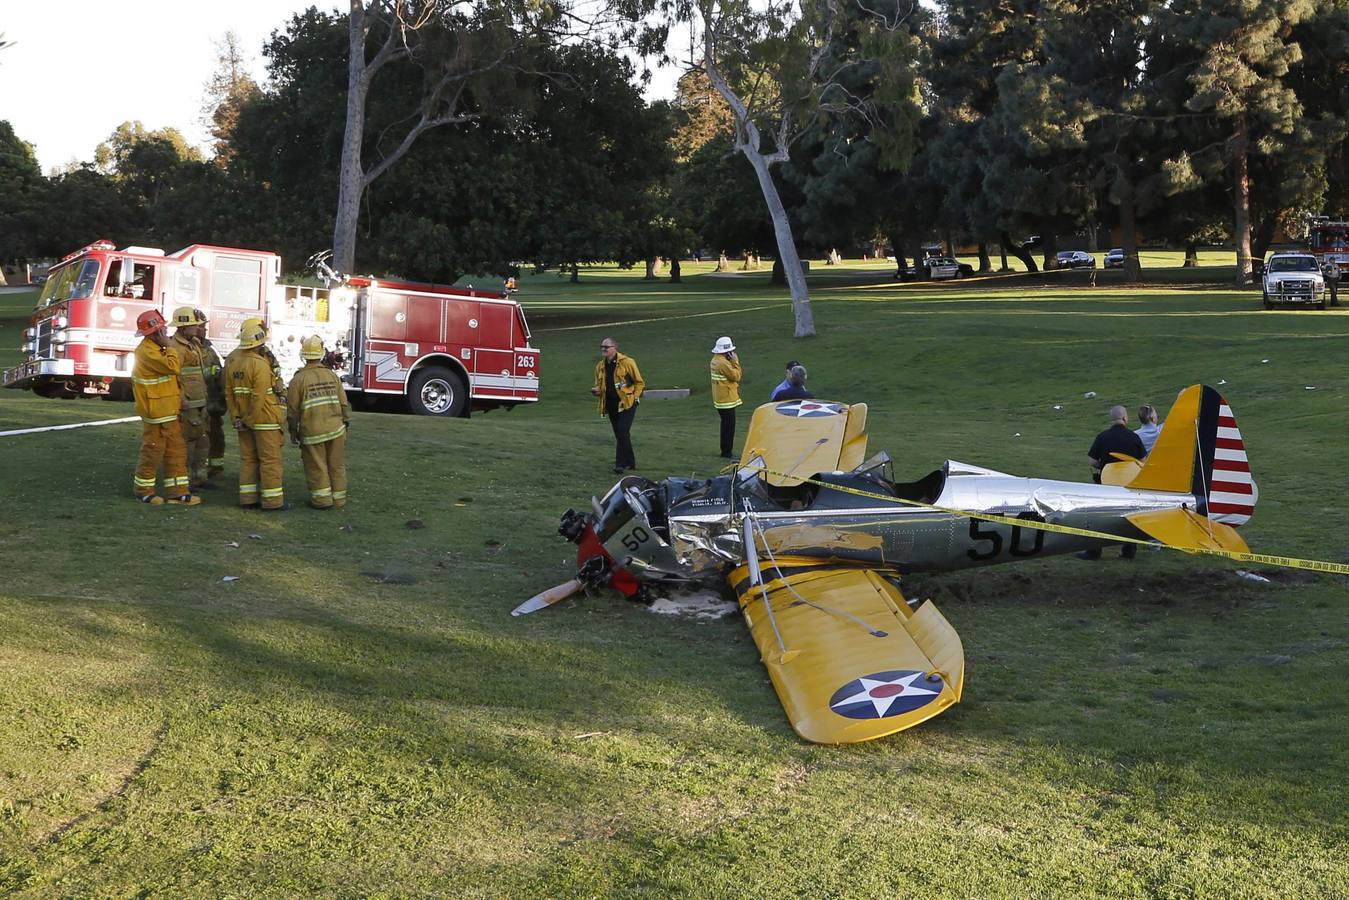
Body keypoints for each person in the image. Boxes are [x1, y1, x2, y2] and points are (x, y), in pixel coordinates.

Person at [130, 310, 200, 506]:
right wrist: (169, 347)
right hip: (156, 412)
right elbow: (173, 367)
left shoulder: (156, 348)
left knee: (176, 452)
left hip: (168, 410)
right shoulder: (147, 352)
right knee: (152, 452)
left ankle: (178, 492)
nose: (166, 332)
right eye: (162, 329)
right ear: (154, 332)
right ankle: (143, 491)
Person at [225, 318, 289, 510]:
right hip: (264, 420)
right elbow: (259, 396)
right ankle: (272, 502)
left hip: (243, 420)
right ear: (259, 343)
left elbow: (229, 393)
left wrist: (236, 418)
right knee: (270, 461)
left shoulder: (234, 363)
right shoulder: (260, 364)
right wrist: (249, 420)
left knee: (248, 460)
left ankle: (248, 499)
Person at [287, 335, 351, 509]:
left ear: (304, 355)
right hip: (336, 429)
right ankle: (339, 499)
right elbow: (343, 403)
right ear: (321, 354)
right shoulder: (332, 375)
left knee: (317, 467)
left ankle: (322, 501)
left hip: (312, 432)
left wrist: (293, 431)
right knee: (336, 465)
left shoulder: (298, 380)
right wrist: (345, 422)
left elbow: (292, 411)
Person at [1081, 405, 1146, 560]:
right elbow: (1142, 462)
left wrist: (1105, 466)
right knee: (1130, 516)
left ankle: (1094, 551)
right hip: (1129, 485)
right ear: (1125, 418)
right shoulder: (1134, 437)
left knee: (1099, 517)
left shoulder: (1102, 437)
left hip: (1106, 483)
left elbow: (1092, 461)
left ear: (1112, 419)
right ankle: (1128, 551)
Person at [168, 307, 211, 489]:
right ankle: (183, 479)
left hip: (200, 401)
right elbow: (173, 377)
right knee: (186, 443)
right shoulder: (175, 348)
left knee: (202, 440)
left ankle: (199, 478)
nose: (197, 328)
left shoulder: (193, 343)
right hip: (188, 404)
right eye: (193, 325)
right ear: (183, 327)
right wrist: (180, 399)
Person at [590, 337, 644, 473]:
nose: (603, 349)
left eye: (606, 347)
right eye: (601, 346)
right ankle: (630, 463)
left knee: (622, 431)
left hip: (627, 403)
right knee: (620, 434)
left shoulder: (628, 362)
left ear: (615, 348)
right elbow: (600, 385)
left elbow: (639, 382)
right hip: (611, 404)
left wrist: (635, 397)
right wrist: (597, 390)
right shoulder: (600, 366)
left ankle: (619, 465)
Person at [198, 309, 227, 480]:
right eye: (201, 326)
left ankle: (216, 470)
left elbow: (217, 368)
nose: (204, 329)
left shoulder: (208, 346)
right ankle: (197, 475)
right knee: (200, 440)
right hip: (197, 404)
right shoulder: (185, 348)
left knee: (217, 437)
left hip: (213, 404)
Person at [709, 336, 743, 459]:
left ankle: (725, 450)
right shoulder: (723, 363)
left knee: (726, 426)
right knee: (729, 427)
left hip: (721, 398)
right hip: (726, 399)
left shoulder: (715, 360)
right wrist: (735, 362)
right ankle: (727, 452)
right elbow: (736, 376)